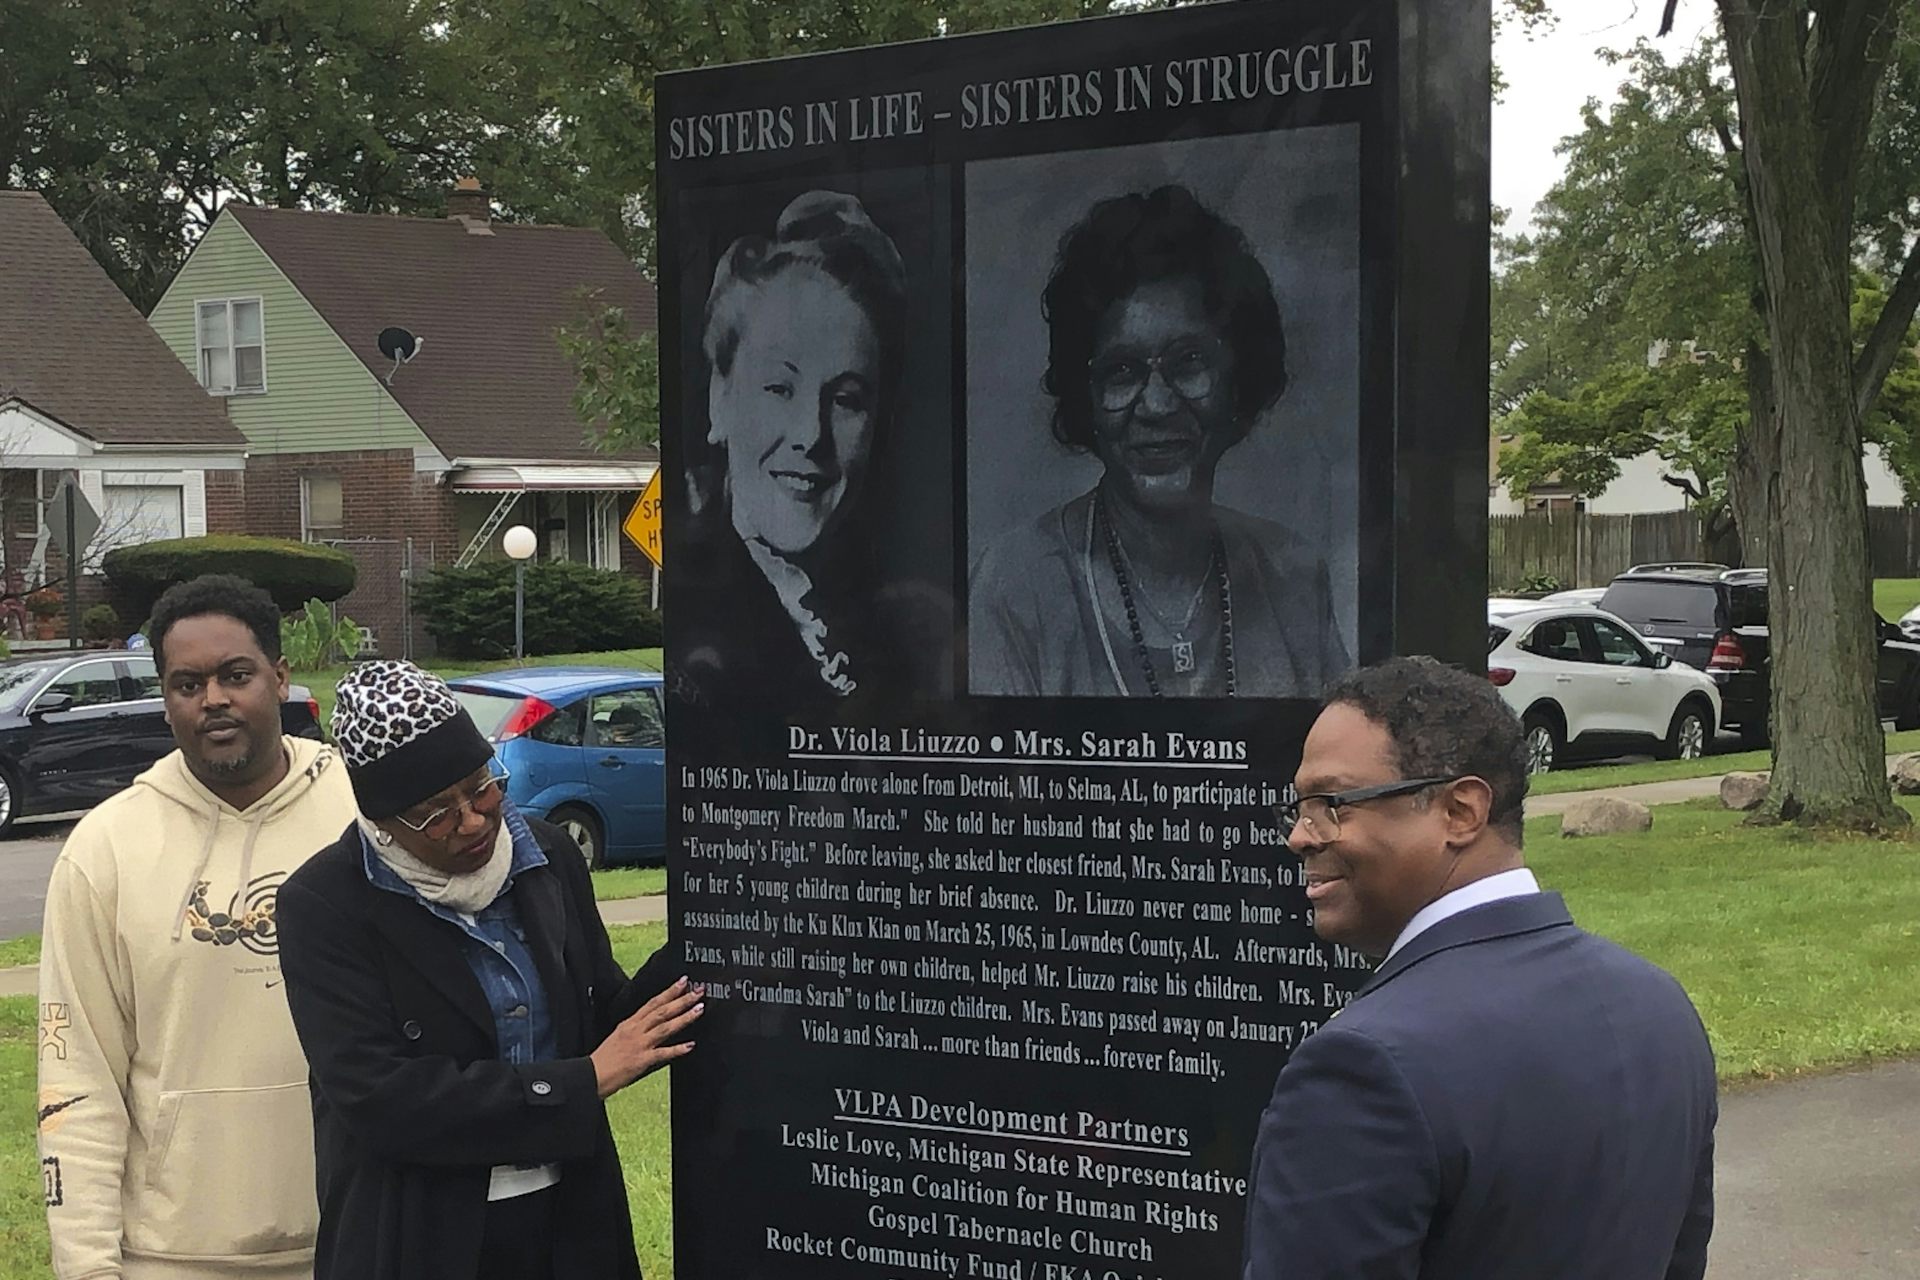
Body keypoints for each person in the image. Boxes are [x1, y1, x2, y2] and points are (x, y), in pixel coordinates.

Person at [1243, 656, 1716, 1279]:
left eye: (1330, 803)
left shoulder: (1362, 1068)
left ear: (1460, 812)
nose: (1300, 836)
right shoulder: (1659, 1006)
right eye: (1299, 807)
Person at [274, 660, 700, 1280]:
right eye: (434, 812)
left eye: (481, 787)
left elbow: (597, 1011)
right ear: (382, 824)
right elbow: (381, 1099)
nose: (472, 820)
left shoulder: (548, 853)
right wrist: (578, 1084)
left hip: (571, 1217)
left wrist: (715, 938)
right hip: (419, 1233)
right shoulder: (324, 905)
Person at [37, 574, 358, 1279]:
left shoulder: (361, 814)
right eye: (187, 684)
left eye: (235, 675)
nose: (212, 699)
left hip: (359, 1237)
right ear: (165, 700)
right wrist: (88, 1267)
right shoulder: (106, 850)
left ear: (280, 677)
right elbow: (76, 1077)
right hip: (175, 1255)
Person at [970, 183, 1349, 698]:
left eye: (1189, 361)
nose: (1157, 405)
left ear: (1238, 377)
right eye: (1121, 371)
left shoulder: (1294, 577)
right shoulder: (1018, 585)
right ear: (1085, 399)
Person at [670, 188, 948, 709]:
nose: (811, 434)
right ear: (719, 399)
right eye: (780, 387)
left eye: (845, 399)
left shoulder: (895, 628)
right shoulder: (698, 642)